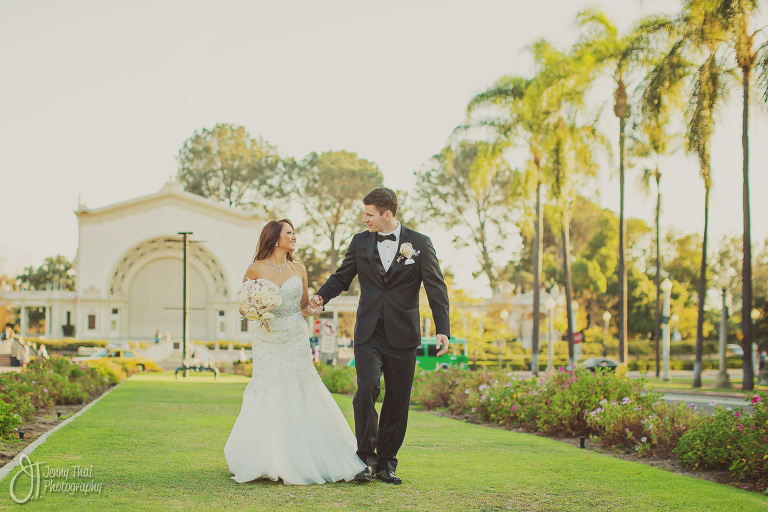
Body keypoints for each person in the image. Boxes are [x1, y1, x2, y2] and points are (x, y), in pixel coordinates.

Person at [310, 188, 450, 485]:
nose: (365, 220)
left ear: (388, 214)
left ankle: (387, 463)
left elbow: (436, 288)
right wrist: (322, 297)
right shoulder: (360, 242)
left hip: (403, 335)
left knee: (398, 400)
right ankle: (364, 459)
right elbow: (342, 276)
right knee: (366, 391)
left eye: (369, 214)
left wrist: (442, 329)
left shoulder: (421, 243)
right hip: (368, 332)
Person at [224, 219, 366, 485]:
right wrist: (255, 308)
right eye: (289, 233)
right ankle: (269, 458)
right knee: (270, 389)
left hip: (296, 336)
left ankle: (309, 455)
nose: (294, 236)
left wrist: (315, 306)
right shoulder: (255, 269)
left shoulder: (298, 268)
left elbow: (303, 307)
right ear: (275, 238)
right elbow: (243, 307)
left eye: (294, 232)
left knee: (300, 388)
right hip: (267, 338)